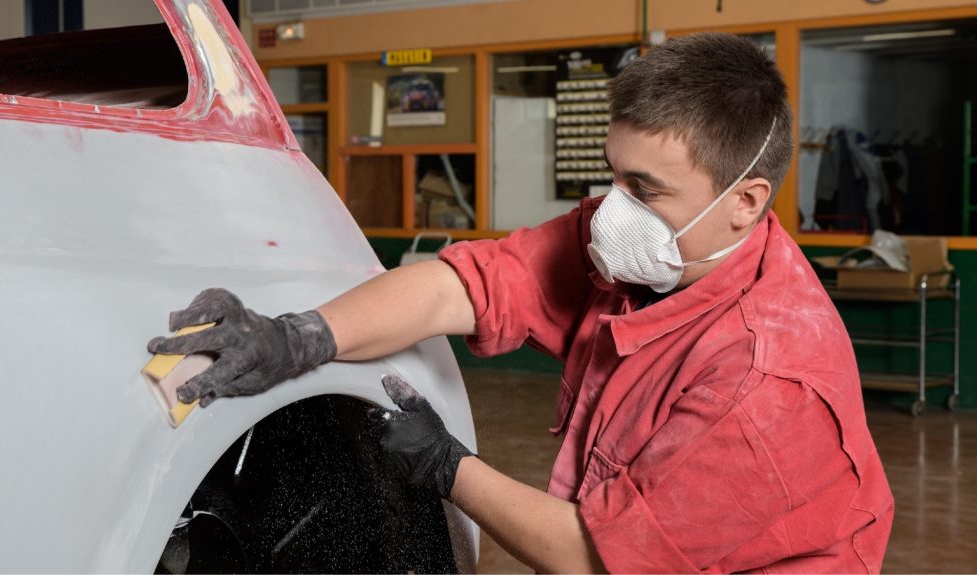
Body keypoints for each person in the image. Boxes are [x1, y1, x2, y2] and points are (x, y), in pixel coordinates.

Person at [148, 33, 893, 573]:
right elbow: (462, 285)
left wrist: (449, 466)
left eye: (646, 189)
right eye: (615, 175)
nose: (612, 210)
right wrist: (299, 337)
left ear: (746, 202)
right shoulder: (655, 254)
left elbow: (595, 558)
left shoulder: (768, 386)